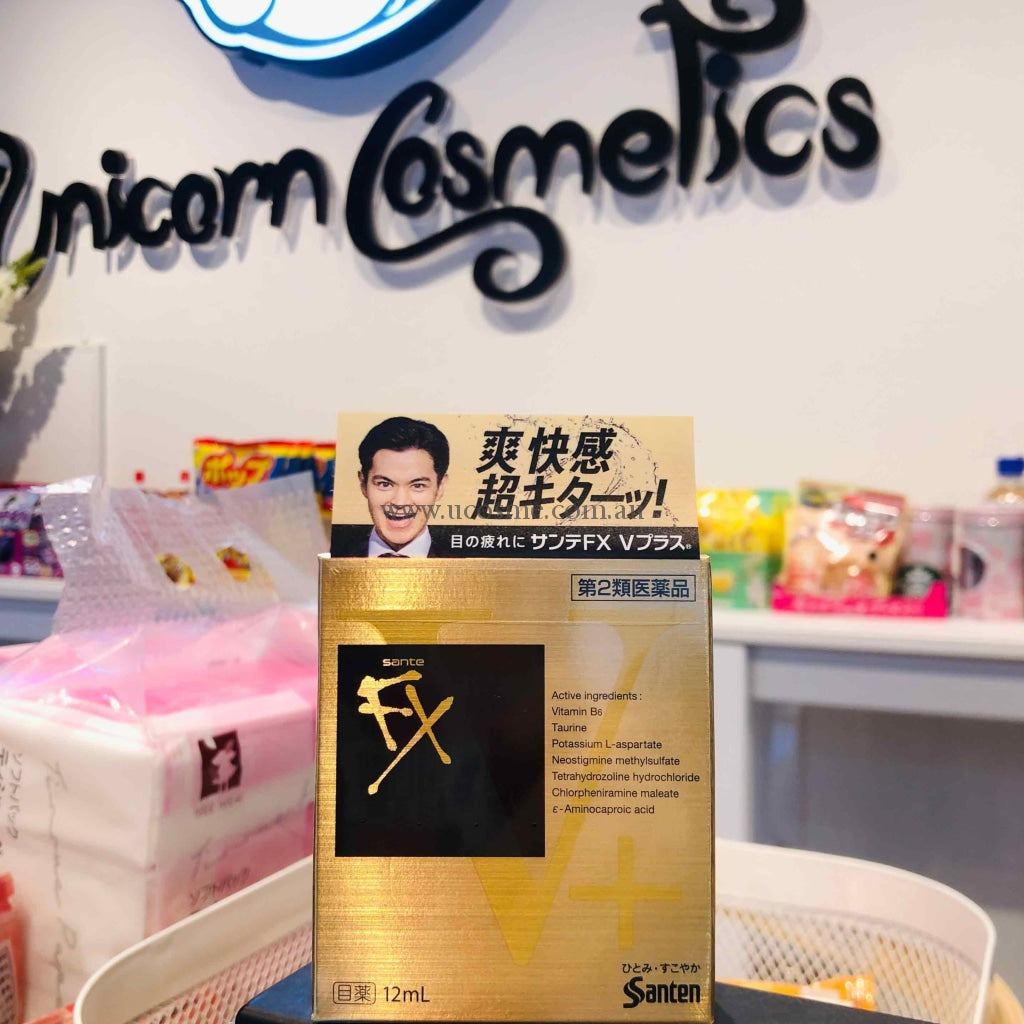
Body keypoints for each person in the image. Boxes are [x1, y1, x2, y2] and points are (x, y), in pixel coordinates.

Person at [349, 416, 450, 557]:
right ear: (363, 485)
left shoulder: (466, 563)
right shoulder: (338, 553)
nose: (400, 503)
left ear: (440, 487)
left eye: (418, 485)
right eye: (385, 484)